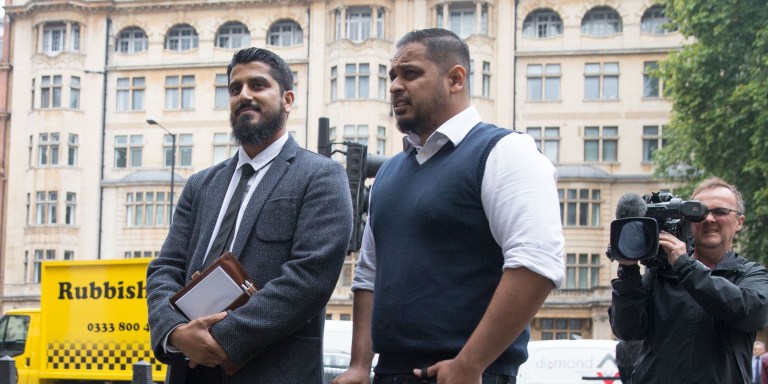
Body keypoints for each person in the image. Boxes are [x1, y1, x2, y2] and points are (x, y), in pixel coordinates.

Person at [333, 28, 564, 384]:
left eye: (410, 73)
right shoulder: (388, 173)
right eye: (392, 76)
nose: (394, 85)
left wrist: (470, 364)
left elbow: (536, 261)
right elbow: (368, 276)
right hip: (389, 373)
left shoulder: (504, 151)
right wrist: (360, 365)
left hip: (467, 374)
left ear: (455, 79)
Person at [146, 47, 353, 384]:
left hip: (270, 371)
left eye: (258, 85)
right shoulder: (201, 184)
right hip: (189, 371)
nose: (244, 95)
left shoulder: (320, 176)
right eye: (235, 88)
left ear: (287, 99)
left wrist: (218, 338)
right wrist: (175, 331)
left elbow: (309, 279)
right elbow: (165, 268)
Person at [609, 177, 768, 384]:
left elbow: (751, 313)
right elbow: (627, 330)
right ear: (688, 219)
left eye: (720, 212)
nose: (710, 219)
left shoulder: (750, 274)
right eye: (700, 212)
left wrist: (686, 267)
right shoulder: (662, 273)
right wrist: (628, 270)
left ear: (739, 222)